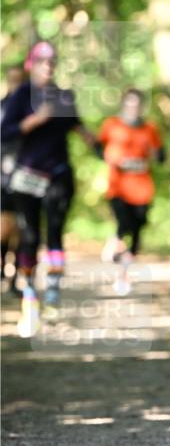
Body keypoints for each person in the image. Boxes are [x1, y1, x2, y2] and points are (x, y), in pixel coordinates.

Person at [1, 41, 96, 336]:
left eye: (52, 61)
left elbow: (78, 126)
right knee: (30, 237)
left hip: (58, 173)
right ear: (32, 64)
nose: (49, 65)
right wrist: (34, 120)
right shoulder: (20, 96)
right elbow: (5, 132)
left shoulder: (64, 96)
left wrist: (98, 144)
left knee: (55, 233)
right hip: (27, 175)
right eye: (43, 61)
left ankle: (52, 296)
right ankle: (30, 301)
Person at [96, 88, 165, 295]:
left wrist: (152, 155)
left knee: (136, 230)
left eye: (137, 104)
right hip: (117, 186)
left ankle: (124, 274)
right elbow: (99, 149)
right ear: (123, 105)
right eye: (129, 104)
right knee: (123, 223)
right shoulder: (111, 125)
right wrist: (115, 159)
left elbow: (160, 155)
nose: (133, 108)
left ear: (141, 106)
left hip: (142, 189)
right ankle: (115, 242)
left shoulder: (149, 128)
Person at [1, 64, 24, 293]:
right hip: (3, 176)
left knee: (22, 228)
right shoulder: (2, 108)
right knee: (5, 227)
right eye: (12, 79)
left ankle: (15, 275)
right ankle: (2, 268)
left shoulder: (30, 110)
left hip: (26, 175)